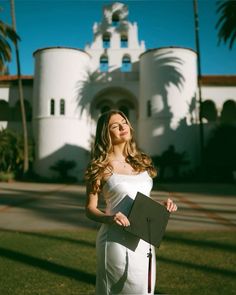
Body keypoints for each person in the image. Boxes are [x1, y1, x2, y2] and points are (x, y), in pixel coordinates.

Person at [85, 110, 177, 295]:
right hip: (115, 241)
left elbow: (141, 199)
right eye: (114, 125)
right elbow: (90, 208)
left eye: (124, 121)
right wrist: (110, 218)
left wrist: (162, 205)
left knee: (144, 290)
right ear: (106, 133)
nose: (122, 126)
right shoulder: (101, 166)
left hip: (144, 240)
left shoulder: (141, 161)